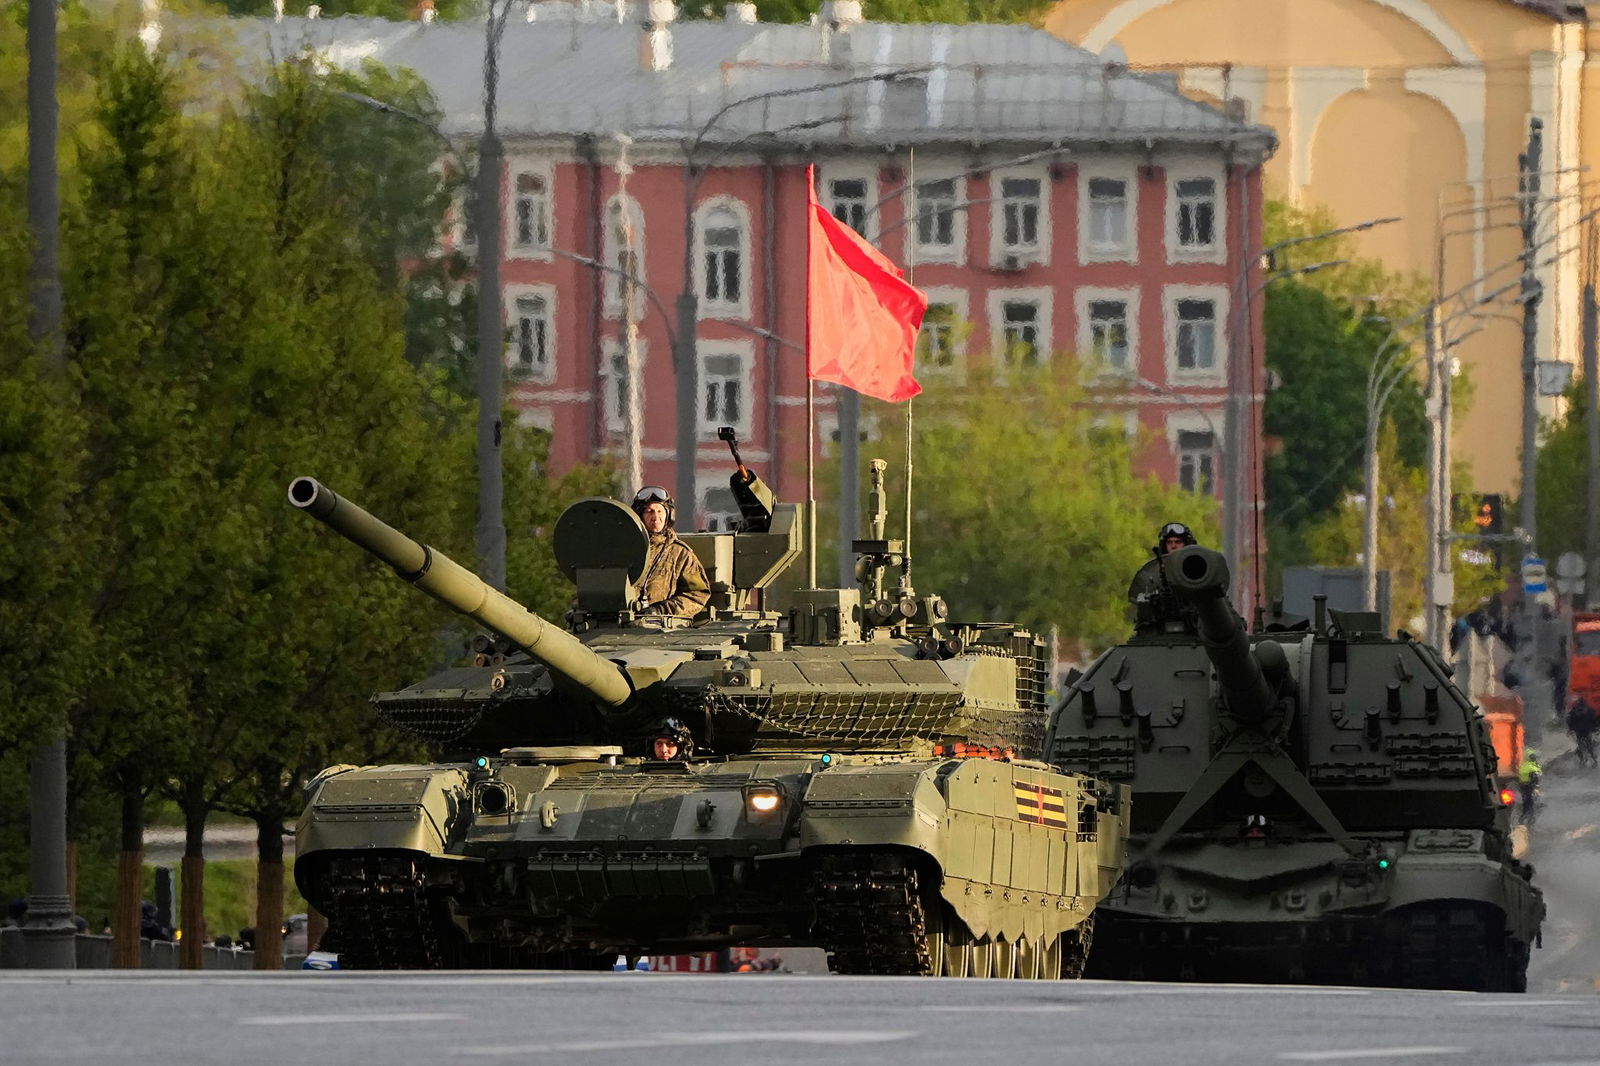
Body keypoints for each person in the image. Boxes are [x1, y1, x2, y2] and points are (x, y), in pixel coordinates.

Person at [630, 486, 711, 619]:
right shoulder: (624, 549)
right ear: (639, 516)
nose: (655, 517)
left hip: (660, 627)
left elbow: (698, 594)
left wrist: (662, 610)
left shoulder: (680, 554)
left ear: (669, 515)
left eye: (660, 511)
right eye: (649, 511)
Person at [1127, 521, 1200, 635]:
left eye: (1178, 542)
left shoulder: (1200, 570)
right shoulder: (1154, 575)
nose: (1173, 546)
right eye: (1169, 542)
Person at [1568, 694, 1598, 768]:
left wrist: (1571, 729)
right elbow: (1594, 720)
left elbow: (1570, 720)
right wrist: (1595, 728)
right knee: (1589, 744)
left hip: (1578, 730)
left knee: (1580, 744)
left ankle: (1583, 760)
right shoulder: (1590, 710)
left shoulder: (1574, 710)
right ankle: (1593, 760)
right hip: (1587, 730)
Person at [1517, 747, 1543, 825]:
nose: (1534, 757)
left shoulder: (1525, 765)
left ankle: (1526, 817)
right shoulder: (1530, 766)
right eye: (1533, 756)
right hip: (1529, 787)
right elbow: (1536, 776)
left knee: (1527, 802)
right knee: (1530, 802)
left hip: (1525, 787)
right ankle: (1529, 818)